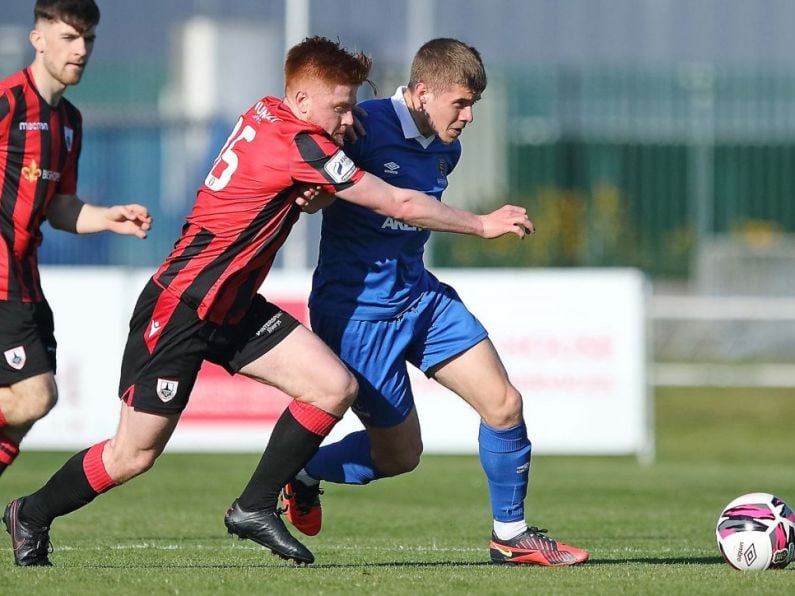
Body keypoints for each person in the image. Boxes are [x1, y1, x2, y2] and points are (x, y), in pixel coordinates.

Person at [4, 35, 533, 567]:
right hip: (183, 305)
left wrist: (318, 186)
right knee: (132, 454)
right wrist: (482, 224)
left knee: (333, 386)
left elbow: (307, 182)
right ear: (303, 102)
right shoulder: (302, 144)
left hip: (235, 305)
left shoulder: (269, 113)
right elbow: (392, 198)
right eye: (341, 108)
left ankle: (254, 505)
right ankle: (30, 513)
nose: (350, 120)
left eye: (352, 106)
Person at [282, 38, 589, 567]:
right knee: (400, 457)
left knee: (505, 404)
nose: (468, 117)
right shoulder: (361, 125)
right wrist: (312, 194)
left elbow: (415, 209)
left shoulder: (448, 146)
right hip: (358, 315)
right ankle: (303, 473)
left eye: (474, 106)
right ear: (422, 93)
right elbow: (309, 180)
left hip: (421, 297)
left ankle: (510, 535)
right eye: (461, 103)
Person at [0, 0, 152, 480]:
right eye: (68, 37)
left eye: (87, 39)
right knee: (35, 394)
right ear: (38, 39)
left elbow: (60, 206)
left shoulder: (69, 122)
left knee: (24, 413)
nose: (81, 49)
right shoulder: (6, 103)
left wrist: (108, 217)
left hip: (25, 279)